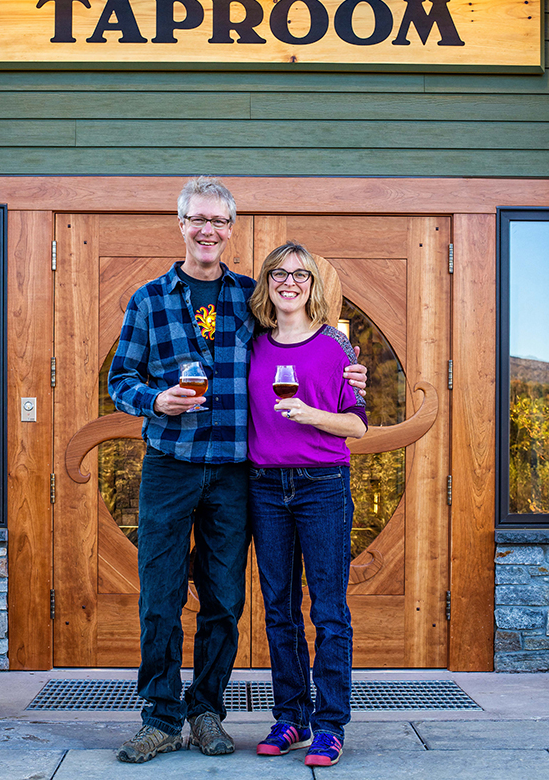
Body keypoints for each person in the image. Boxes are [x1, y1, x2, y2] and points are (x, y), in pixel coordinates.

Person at [108, 177, 367, 764]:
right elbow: (120, 380)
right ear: (181, 224)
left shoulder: (250, 298)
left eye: (219, 222)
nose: (207, 231)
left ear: (230, 229)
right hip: (171, 466)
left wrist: (351, 373)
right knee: (161, 595)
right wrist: (156, 401)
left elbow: (305, 341)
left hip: (234, 473)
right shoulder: (149, 299)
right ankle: (160, 716)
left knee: (225, 599)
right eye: (197, 219)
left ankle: (206, 712)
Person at [247, 242, 367, 768]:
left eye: (300, 274)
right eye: (279, 272)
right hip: (265, 487)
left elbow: (357, 425)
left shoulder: (336, 348)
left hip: (321, 485)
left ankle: (330, 725)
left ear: (313, 285)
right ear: (267, 283)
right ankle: (290, 716)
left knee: (328, 609)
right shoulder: (250, 346)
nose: (289, 281)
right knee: (279, 609)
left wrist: (311, 414)